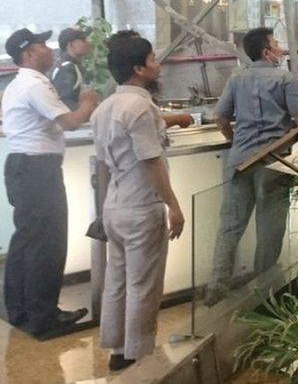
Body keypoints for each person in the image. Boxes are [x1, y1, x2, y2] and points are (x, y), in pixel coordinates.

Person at [91, 32, 184, 371]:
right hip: (142, 206)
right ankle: (138, 354)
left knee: (117, 280)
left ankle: (117, 348)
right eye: (153, 59)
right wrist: (173, 205)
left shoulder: (104, 108)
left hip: (115, 206)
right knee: (143, 283)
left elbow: (101, 164)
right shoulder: (141, 106)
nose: (157, 64)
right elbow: (151, 161)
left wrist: (102, 209)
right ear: (138, 68)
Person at [206, 28, 298, 306]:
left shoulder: (236, 78)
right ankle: (263, 295)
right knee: (269, 230)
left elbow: (220, 118)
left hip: (239, 161)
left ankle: (215, 291)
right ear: (267, 52)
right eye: (276, 44)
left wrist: (235, 143)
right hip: (274, 163)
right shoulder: (286, 78)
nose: (280, 49)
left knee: (230, 227)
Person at [1, 28, 97, 339]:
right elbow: (69, 122)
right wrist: (87, 102)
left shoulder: (18, 84)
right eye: (42, 44)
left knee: (26, 240)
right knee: (48, 245)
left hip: (22, 167)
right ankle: (44, 317)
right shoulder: (35, 85)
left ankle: (19, 310)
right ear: (28, 54)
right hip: (38, 171)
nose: (48, 47)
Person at [51, 27, 92, 110]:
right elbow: (65, 103)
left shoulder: (71, 65)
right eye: (83, 40)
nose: (88, 42)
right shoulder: (67, 68)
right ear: (70, 45)